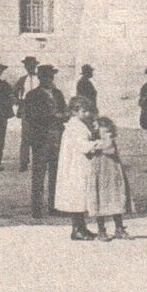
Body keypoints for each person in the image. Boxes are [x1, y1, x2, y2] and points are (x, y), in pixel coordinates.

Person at [21, 64, 67, 220]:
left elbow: (65, 111)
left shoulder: (58, 94)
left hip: (57, 137)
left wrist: (63, 116)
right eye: (46, 77)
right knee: (39, 175)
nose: (49, 79)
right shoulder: (32, 96)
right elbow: (32, 117)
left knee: (56, 174)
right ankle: (37, 209)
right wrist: (53, 117)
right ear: (40, 78)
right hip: (41, 139)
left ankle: (54, 206)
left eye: (51, 76)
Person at [54, 96, 97, 240]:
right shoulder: (75, 127)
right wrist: (98, 144)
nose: (87, 114)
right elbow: (83, 146)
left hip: (78, 165)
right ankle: (77, 229)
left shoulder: (79, 124)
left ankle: (81, 227)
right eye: (84, 111)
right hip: (75, 167)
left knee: (80, 197)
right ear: (74, 111)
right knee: (77, 198)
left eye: (89, 111)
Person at [86, 117, 132, 240]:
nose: (109, 134)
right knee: (100, 201)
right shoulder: (96, 143)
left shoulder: (108, 142)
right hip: (100, 176)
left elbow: (110, 149)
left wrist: (100, 144)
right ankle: (101, 230)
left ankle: (119, 228)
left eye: (109, 132)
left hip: (113, 175)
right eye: (105, 132)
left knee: (116, 200)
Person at [13, 56, 41, 171]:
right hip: (26, 109)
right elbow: (13, 93)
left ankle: (37, 162)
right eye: (27, 65)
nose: (30, 67)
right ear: (25, 67)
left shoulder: (41, 78)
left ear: (35, 66)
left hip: (39, 110)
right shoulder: (22, 79)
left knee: (39, 136)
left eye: (32, 65)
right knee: (25, 137)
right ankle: (23, 163)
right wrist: (18, 101)